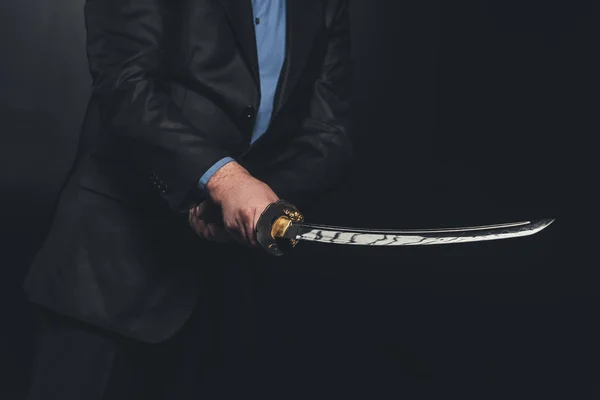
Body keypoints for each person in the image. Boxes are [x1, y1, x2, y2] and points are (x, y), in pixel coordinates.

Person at [22, 0, 353, 398]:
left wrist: (251, 206)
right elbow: (126, 84)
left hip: (226, 295)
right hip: (110, 274)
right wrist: (225, 180)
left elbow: (327, 134)